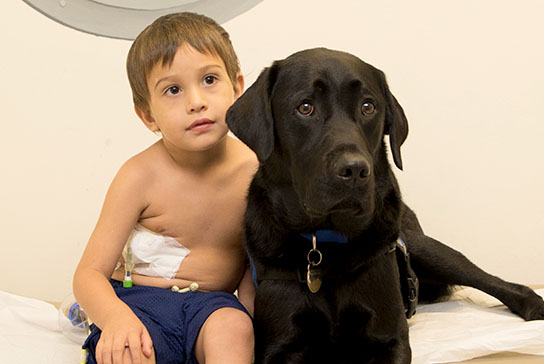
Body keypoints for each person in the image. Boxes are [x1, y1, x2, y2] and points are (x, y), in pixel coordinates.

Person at [73, 12, 257, 364]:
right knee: (126, 349)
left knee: (235, 328)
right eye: (173, 90)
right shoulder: (139, 175)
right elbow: (89, 274)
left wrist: (256, 325)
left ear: (237, 87)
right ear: (148, 116)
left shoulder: (255, 171)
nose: (196, 101)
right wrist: (116, 319)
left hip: (212, 306)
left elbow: (255, 266)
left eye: (209, 80)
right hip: (139, 303)